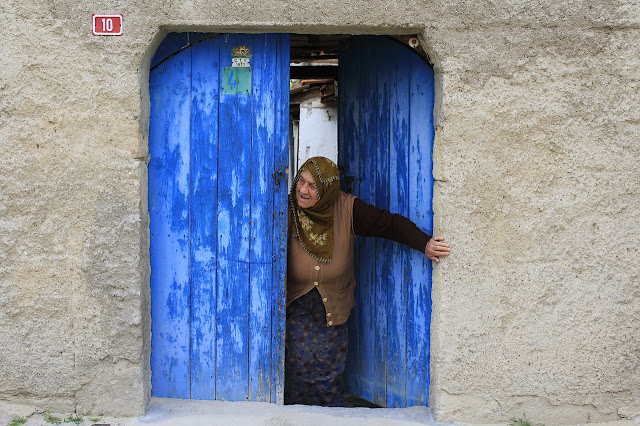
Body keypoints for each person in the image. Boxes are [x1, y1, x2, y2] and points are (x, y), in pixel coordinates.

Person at [284, 157, 451, 406]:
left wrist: (424, 243)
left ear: (328, 190)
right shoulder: (285, 211)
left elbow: (389, 224)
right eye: (302, 181)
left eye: (312, 186)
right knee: (295, 382)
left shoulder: (347, 209)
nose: (303, 190)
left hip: (333, 315)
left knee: (328, 383)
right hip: (296, 313)